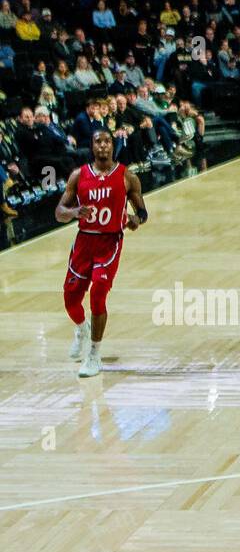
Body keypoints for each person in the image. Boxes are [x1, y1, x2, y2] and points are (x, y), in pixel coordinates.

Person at [54, 127, 148, 379]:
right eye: (98, 141)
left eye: (107, 141)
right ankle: (81, 329)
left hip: (109, 242)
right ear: (92, 146)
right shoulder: (78, 175)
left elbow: (143, 212)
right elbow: (59, 211)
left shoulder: (127, 176)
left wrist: (135, 219)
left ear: (113, 145)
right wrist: (74, 213)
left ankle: (94, 354)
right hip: (84, 242)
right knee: (71, 300)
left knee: (97, 293)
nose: (103, 146)